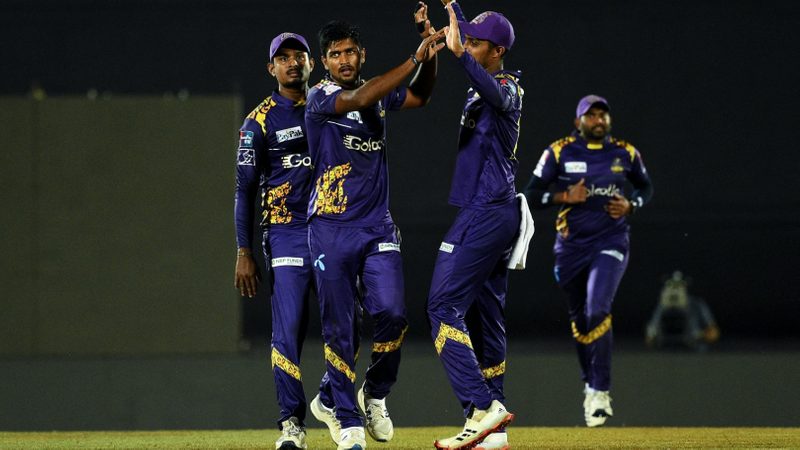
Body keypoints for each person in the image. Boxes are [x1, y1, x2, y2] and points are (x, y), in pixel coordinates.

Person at [304, 12, 446, 450]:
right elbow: (360, 97)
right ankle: (346, 420)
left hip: (377, 226)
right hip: (330, 227)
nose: (344, 60)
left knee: (394, 313)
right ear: (324, 63)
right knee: (340, 328)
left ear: (362, 54)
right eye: (335, 54)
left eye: (350, 52)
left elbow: (420, 95)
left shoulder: (380, 93)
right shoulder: (320, 96)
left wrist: (430, 55)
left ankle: (373, 393)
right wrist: (413, 58)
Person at [427, 2, 527, 449]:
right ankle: (495, 430)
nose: (466, 46)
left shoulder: (508, 87)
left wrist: (458, 55)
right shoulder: (483, 82)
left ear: (498, 51)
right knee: (486, 316)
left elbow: (497, 94)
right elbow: (476, 71)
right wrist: (454, 14)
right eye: (465, 40)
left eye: (475, 42)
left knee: (441, 306)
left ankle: (481, 407)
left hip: (486, 210)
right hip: (489, 209)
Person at [233, 32, 338, 450]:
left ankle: (331, 399)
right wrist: (244, 251)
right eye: (283, 58)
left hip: (333, 228)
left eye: (300, 55)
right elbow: (244, 189)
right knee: (288, 329)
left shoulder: (331, 102)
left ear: (313, 62)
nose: (293, 63)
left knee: (346, 321)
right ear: (271, 68)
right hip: (286, 232)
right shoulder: (258, 121)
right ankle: (291, 424)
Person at [523, 94, 654, 427]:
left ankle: (600, 390)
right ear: (577, 121)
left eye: (602, 115)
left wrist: (632, 205)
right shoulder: (559, 151)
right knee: (581, 321)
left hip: (611, 242)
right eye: (591, 115)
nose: (599, 120)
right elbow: (531, 193)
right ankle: (589, 386)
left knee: (598, 308)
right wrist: (564, 196)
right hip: (570, 248)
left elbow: (645, 187)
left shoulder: (625, 153)